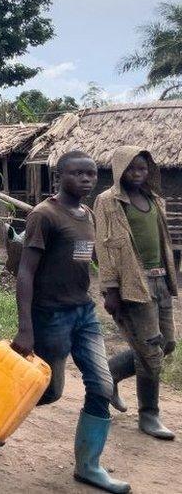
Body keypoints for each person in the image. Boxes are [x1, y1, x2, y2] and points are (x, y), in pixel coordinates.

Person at [12, 151, 129, 494]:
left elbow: (89, 258)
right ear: (59, 177)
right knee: (50, 392)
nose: (87, 180)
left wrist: (113, 291)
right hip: (50, 317)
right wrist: (25, 327)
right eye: (78, 174)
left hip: (84, 314)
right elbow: (25, 272)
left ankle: (88, 466)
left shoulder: (87, 214)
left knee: (102, 386)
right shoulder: (43, 216)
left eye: (91, 174)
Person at [97, 146, 177, 441]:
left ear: (149, 170)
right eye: (131, 168)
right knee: (150, 355)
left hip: (160, 282)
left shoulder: (154, 199)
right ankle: (149, 415)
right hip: (134, 285)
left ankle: (110, 374)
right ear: (119, 170)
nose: (137, 174)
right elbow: (104, 247)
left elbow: (163, 241)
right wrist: (110, 289)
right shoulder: (107, 201)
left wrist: (170, 278)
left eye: (142, 168)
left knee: (167, 344)